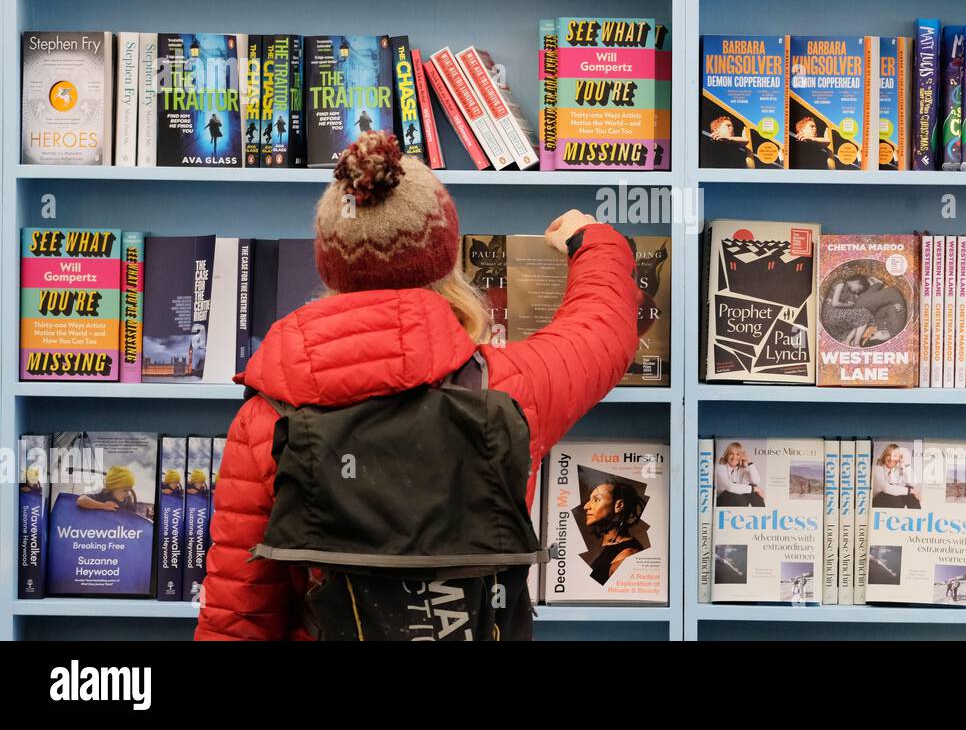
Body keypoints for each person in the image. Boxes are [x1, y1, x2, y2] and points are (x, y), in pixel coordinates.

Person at [195, 131, 639, 641]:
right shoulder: (506, 390)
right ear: (445, 256)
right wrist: (594, 242)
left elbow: (240, 609)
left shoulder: (270, 413)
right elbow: (600, 331)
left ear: (330, 263)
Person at [582, 482, 645, 585]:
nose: (586, 506)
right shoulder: (607, 546)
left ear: (619, 505)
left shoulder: (626, 556)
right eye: (590, 500)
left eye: (596, 499)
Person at [715, 442, 764, 507]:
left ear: (741, 456)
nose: (734, 457)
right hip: (722, 500)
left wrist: (749, 461)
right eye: (731, 454)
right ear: (727, 455)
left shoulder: (741, 469)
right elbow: (730, 487)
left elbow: (756, 481)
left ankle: (761, 514)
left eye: (738, 454)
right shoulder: (720, 467)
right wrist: (754, 489)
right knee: (733, 492)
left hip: (736, 500)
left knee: (753, 490)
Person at [872, 443, 920, 509]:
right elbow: (886, 488)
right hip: (877, 501)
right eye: (888, 455)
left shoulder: (897, 471)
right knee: (894, 495)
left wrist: (906, 464)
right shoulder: (877, 469)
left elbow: (913, 483)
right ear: (884, 456)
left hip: (893, 502)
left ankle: (917, 515)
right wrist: (909, 491)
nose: (891, 458)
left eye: (895, 456)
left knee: (910, 496)